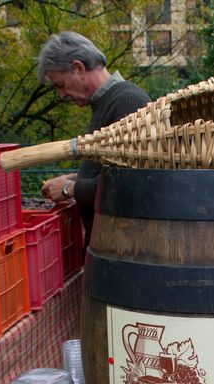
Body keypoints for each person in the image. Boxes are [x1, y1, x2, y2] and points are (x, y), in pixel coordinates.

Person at [36, 32, 151, 253]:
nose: (61, 95)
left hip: (125, 252)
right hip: (114, 249)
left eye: (60, 84)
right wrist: (73, 179)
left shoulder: (127, 102)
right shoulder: (108, 102)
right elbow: (110, 169)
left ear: (78, 67)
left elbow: (128, 184)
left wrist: (71, 189)